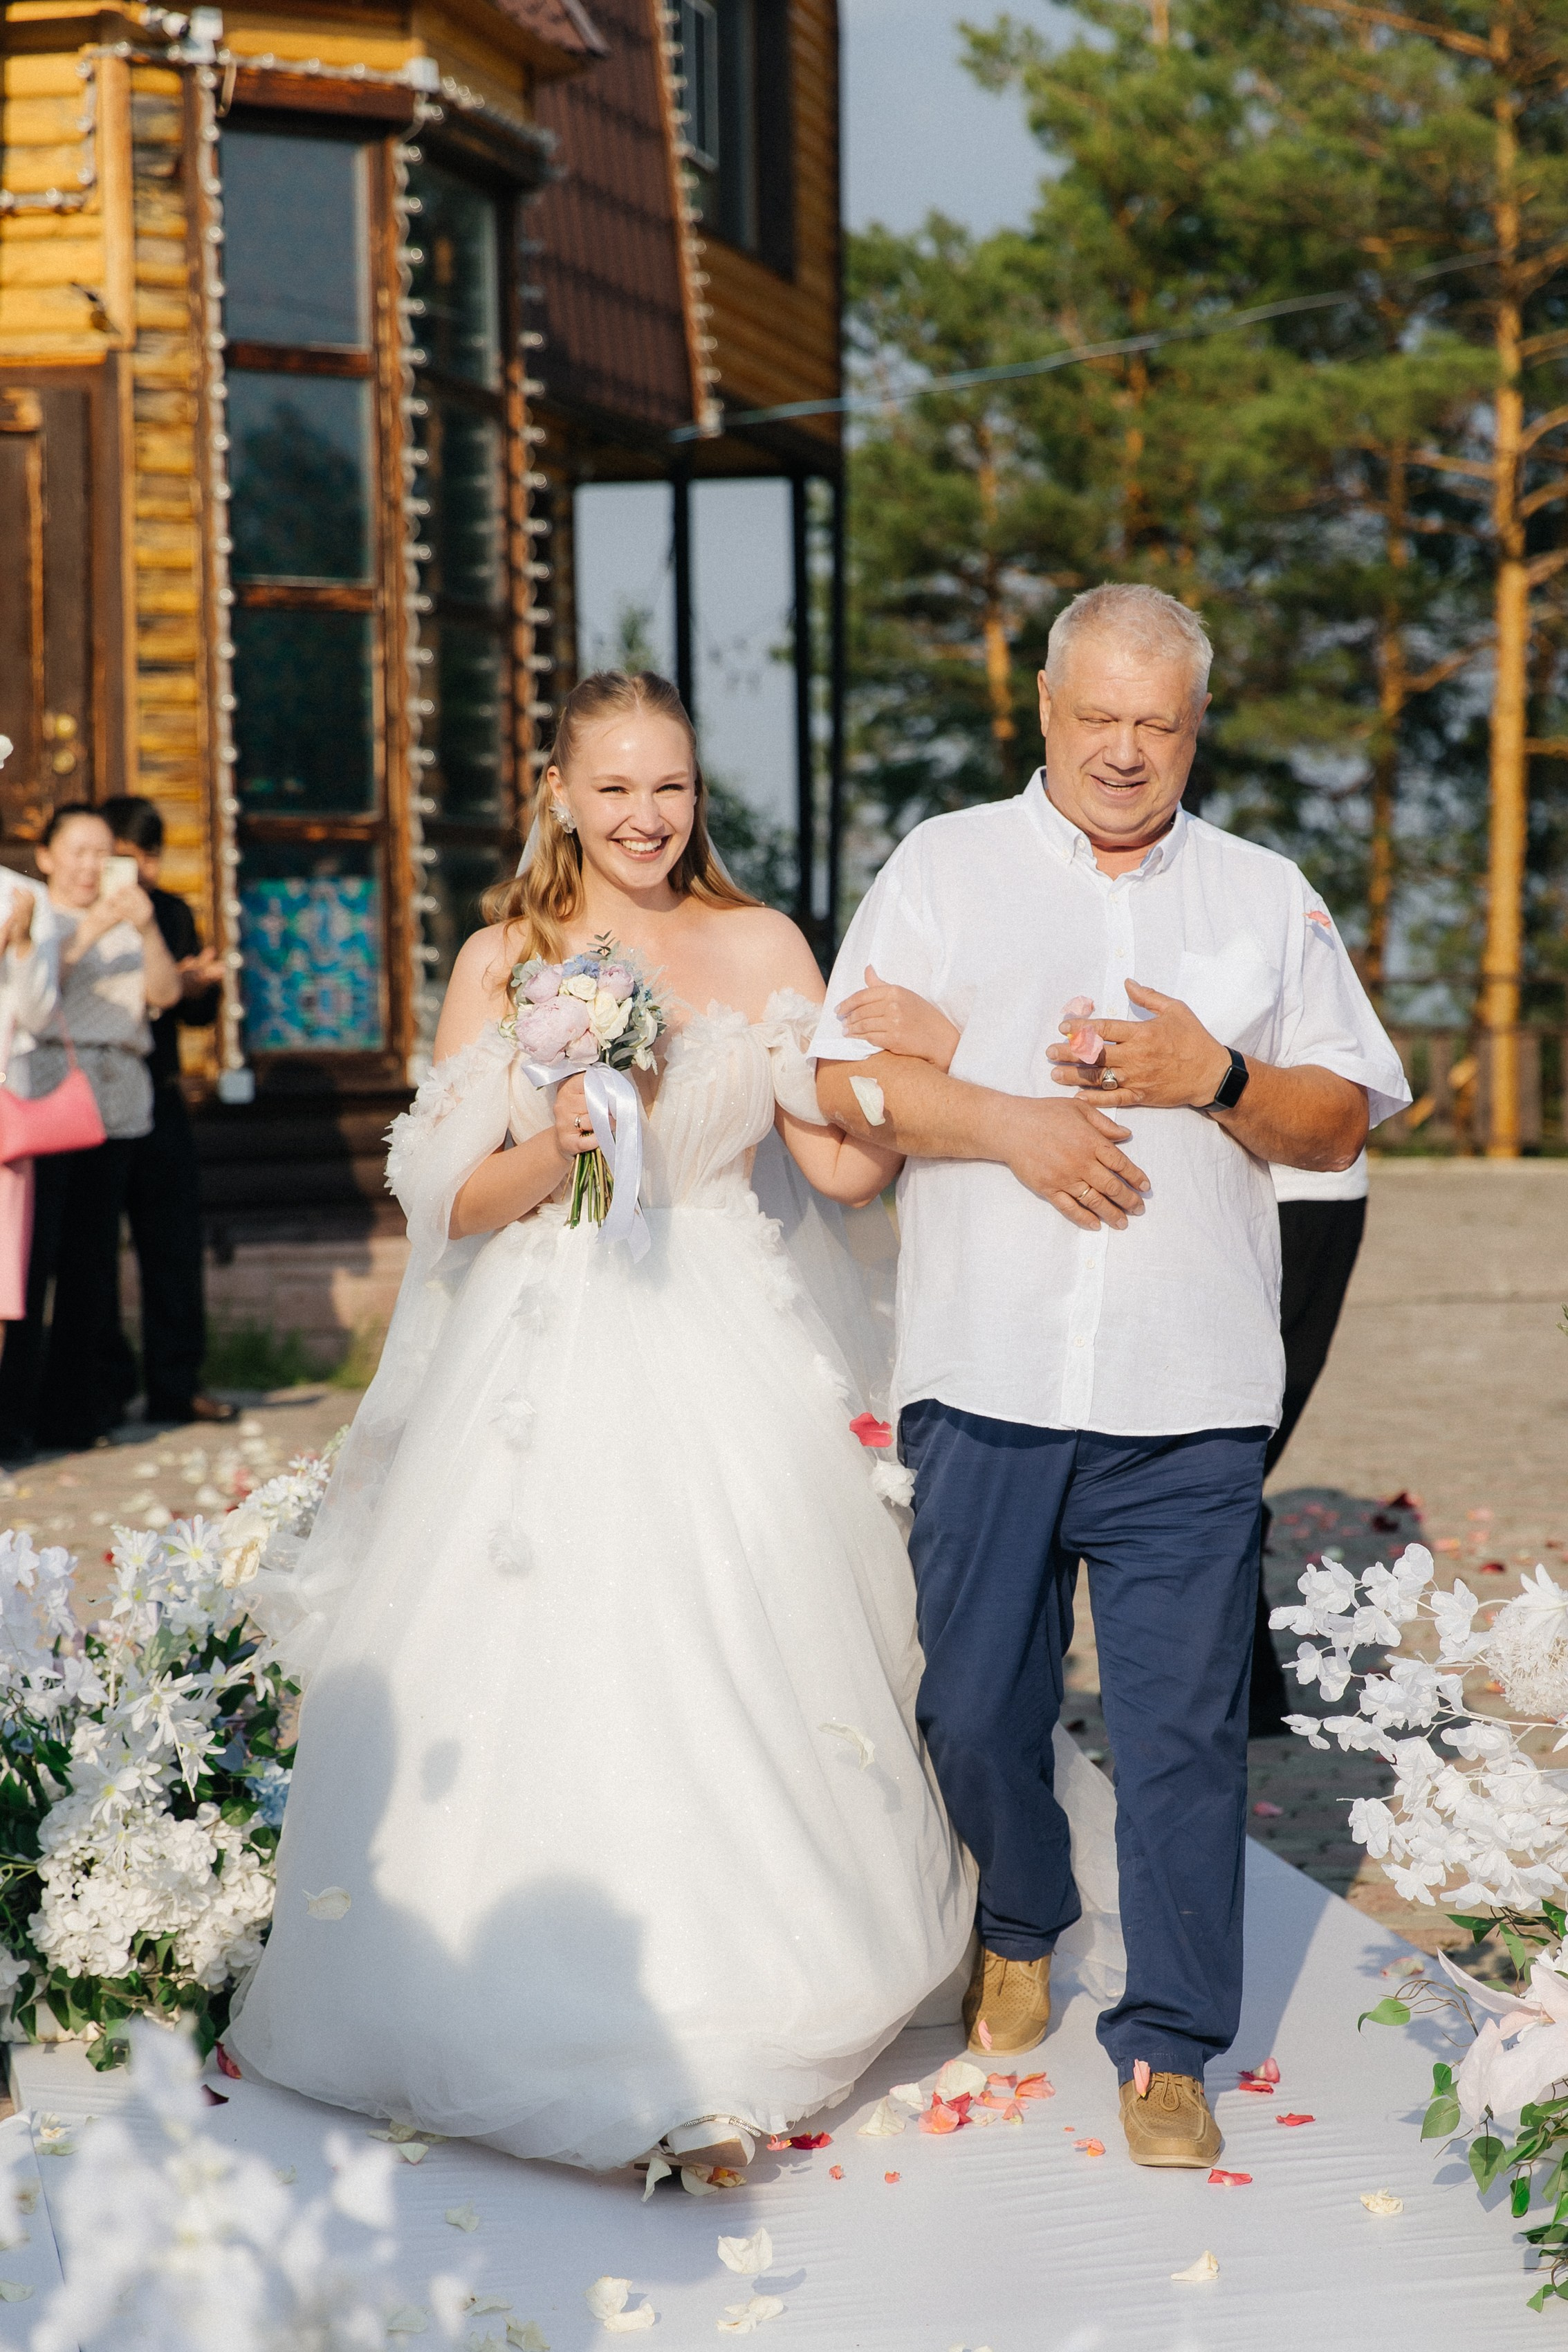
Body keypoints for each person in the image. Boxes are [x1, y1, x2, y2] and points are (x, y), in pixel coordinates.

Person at [226, 670, 981, 2172]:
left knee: (731, 1654)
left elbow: (836, 1175)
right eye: (616, 786)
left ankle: (741, 2011)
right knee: (548, 1669)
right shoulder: (503, 956)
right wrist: (562, 1135)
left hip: (722, 1335)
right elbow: (446, 1195)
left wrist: (920, 1073)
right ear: (558, 789)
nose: (646, 816)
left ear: (700, 793)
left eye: (672, 786)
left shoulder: (761, 941)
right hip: (544, 1344)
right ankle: (534, 2018)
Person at [813, 582, 1410, 2169]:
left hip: (1190, 1387)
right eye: (1099, 717)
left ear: (1191, 728)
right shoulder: (942, 866)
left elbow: (1341, 1118)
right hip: (984, 1367)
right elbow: (840, 1077)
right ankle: (1017, 1910)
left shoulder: (1261, 896)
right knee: (973, 1704)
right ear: (1045, 712)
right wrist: (999, 1110)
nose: (1125, 750)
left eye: (1157, 721)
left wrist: (1208, 1076)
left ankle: (1168, 2041)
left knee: (1180, 1730)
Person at [0, 804, 181, 1455]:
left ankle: (76, 1413)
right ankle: (15, 1415)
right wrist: (86, 930)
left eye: (103, 853)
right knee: (31, 1261)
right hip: (46, 1096)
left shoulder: (134, 914)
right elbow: (36, 998)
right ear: (46, 855)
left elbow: (164, 997)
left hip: (117, 1102)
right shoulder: (32, 910)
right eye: (77, 851)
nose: (89, 866)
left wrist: (147, 928)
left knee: (93, 1265)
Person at [98, 796, 236, 1430]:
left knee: (173, 1246)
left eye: (150, 855)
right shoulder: (80, 912)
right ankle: (96, 1385)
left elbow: (195, 1014)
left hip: (159, 1091)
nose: (141, 869)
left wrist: (200, 986)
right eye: (129, 855)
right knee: (91, 1251)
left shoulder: (174, 913)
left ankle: (176, 1385)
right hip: (88, 1100)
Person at [1247, 1152, 1370, 1735]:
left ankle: (1239, 1686)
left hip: (1295, 1188)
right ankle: (1244, 1686)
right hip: (1163, 1191)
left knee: (1233, 1450)